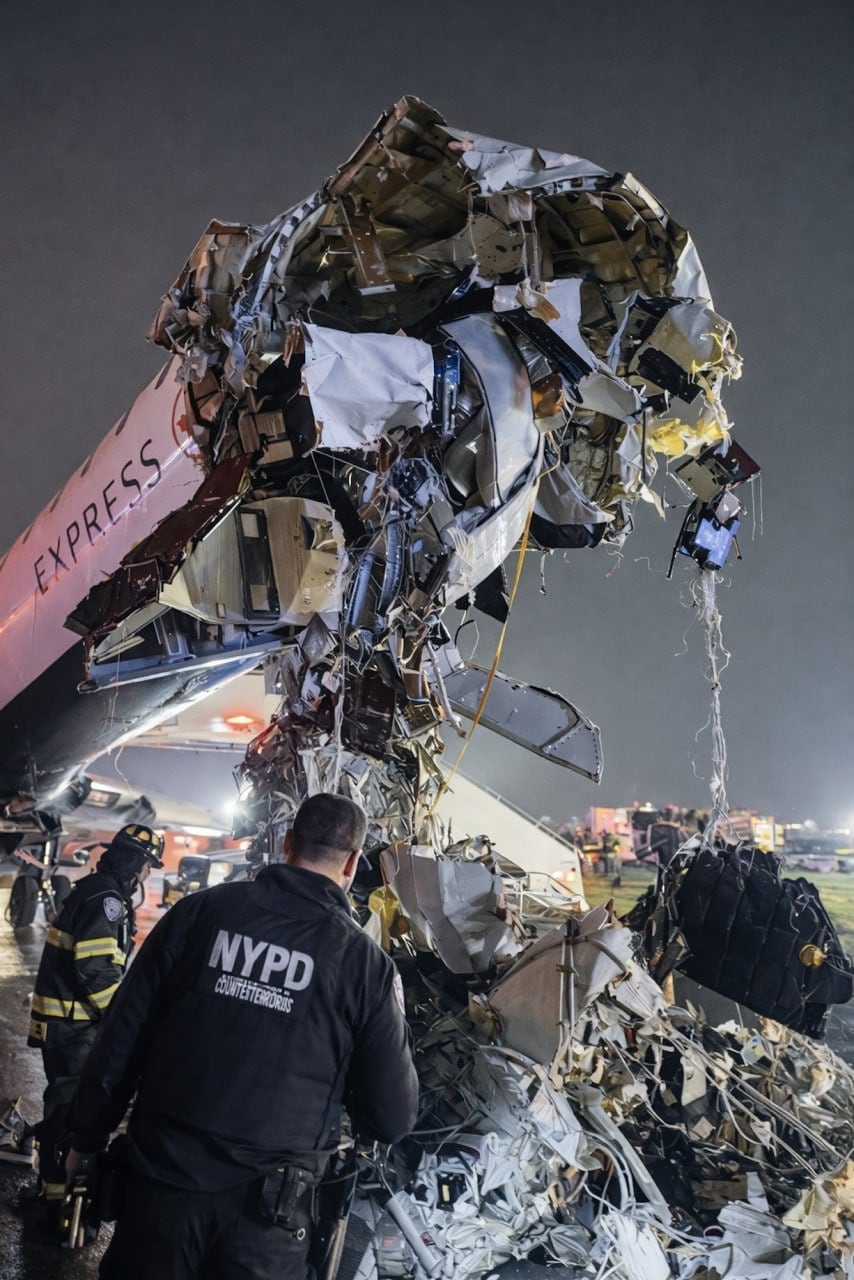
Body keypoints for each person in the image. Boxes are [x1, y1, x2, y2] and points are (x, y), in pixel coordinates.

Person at [67, 792, 419, 1280]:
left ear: (288, 841)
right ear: (354, 862)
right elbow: (391, 1117)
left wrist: (85, 1139)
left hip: (160, 1193)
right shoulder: (365, 964)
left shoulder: (199, 913)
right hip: (268, 1221)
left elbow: (121, 1038)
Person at [24, 823, 163, 1225]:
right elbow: (97, 970)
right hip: (74, 1027)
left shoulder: (98, 890)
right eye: (148, 865)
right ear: (137, 863)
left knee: (64, 1107)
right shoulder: (107, 900)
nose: (147, 874)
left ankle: (53, 1193)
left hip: (65, 1023)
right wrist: (120, 1022)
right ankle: (55, 1204)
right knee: (69, 1113)